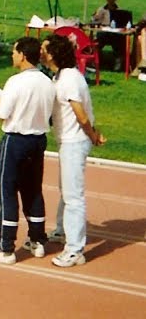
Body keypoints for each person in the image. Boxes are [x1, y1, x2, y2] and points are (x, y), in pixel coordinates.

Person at [0, 36, 54, 265]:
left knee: (5, 192)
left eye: (14, 52)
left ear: (22, 55)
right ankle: (37, 240)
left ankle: (5, 246)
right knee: (32, 191)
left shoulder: (15, 82)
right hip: (38, 140)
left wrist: (1, 103)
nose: (12, 56)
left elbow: (3, 112)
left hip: (15, 140)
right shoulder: (48, 82)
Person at [41, 34, 106, 268]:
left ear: (53, 54)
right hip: (67, 140)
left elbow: (80, 114)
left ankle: (75, 249)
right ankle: (61, 231)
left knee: (73, 196)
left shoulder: (68, 79)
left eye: (44, 48)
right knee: (65, 190)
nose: (40, 52)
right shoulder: (61, 75)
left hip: (74, 142)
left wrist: (93, 135)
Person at [92, 0, 130, 71]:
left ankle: (118, 64)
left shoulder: (120, 11)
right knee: (97, 43)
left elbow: (123, 22)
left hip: (115, 33)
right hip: (104, 33)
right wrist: (96, 17)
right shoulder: (102, 9)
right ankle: (96, 61)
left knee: (120, 43)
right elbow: (95, 21)